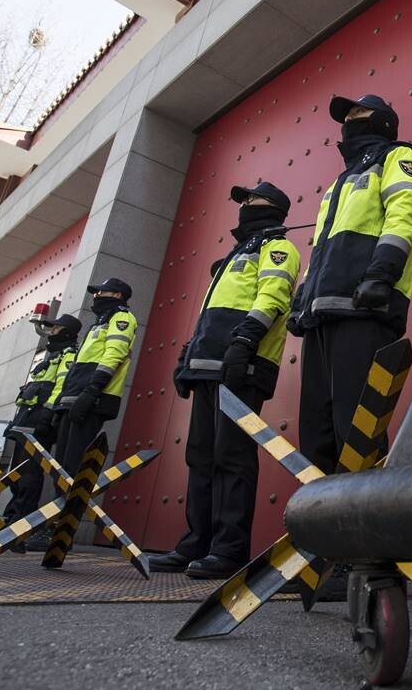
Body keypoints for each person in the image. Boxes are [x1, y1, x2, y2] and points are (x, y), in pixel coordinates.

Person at [149, 181, 300, 579]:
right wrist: (188, 356)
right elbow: (208, 316)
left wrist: (246, 339)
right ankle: (195, 543)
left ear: (273, 207)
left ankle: (229, 549)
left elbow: (274, 296)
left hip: (243, 366)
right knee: (200, 455)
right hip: (209, 366)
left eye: (252, 199)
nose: (245, 205)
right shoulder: (234, 256)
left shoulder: (276, 248)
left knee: (231, 457)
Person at [287, 94, 412, 474]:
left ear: (382, 121)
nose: (348, 120)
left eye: (357, 113)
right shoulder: (338, 185)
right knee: (316, 434)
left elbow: (404, 217)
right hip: (322, 316)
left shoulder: (398, 159)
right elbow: (322, 251)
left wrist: (381, 275)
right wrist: (302, 301)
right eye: (346, 116)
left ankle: (365, 528)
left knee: (358, 431)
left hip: (365, 309)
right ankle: (323, 528)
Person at [0, 313, 82, 540]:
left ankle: (22, 523)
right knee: (18, 471)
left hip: (40, 420)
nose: (51, 331)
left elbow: (62, 385)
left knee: (29, 472)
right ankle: (12, 517)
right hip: (27, 418)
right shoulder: (51, 354)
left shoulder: (68, 354)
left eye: (55, 328)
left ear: (66, 331)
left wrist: (47, 414)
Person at [53, 278, 137, 483]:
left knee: (74, 467)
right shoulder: (98, 323)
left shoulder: (121, 317)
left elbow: (113, 356)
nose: (96, 296)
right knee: (61, 467)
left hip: (92, 399)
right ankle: (60, 512)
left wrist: (92, 391)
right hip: (74, 399)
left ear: (117, 295)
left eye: (101, 292)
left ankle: (70, 514)